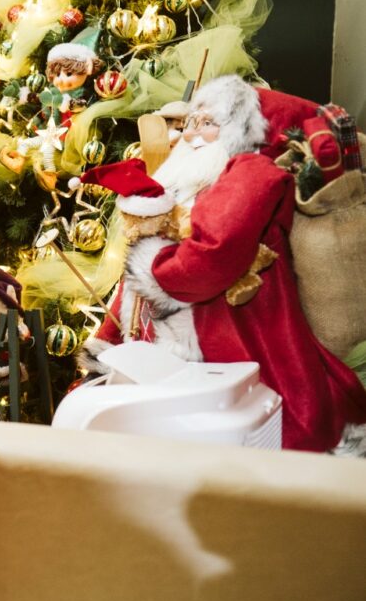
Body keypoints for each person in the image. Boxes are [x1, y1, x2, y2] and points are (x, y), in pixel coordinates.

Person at [87, 75, 366, 451]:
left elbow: (209, 260)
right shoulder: (187, 188)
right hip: (175, 366)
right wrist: (107, 339)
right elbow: (132, 283)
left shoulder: (250, 174)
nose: (188, 136)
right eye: (189, 123)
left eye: (207, 123)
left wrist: (151, 257)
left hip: (232, 351)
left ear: (243, 130)